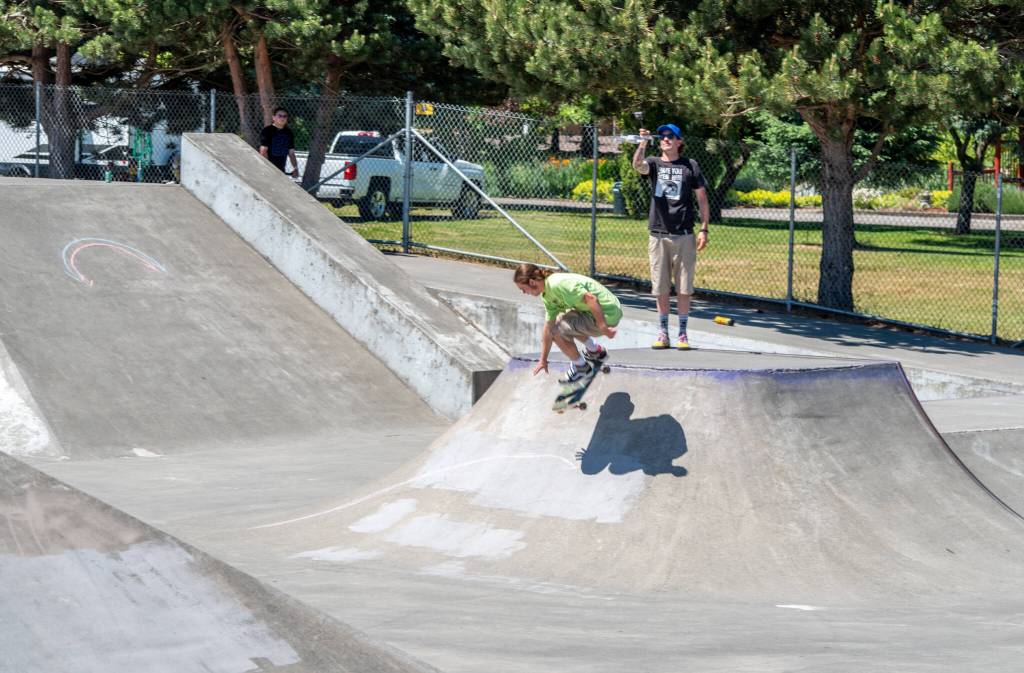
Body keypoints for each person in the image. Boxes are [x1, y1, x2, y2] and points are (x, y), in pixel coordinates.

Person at [632, 123, 710, 349]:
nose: (665, 139)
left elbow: (702, 198)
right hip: (658, 235)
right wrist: (643, 142)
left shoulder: (689, 165)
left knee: (684, 288)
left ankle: (683, 334)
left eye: (671, 136)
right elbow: (638, 165)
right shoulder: (654, 164)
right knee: (661, 287)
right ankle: (663, 332)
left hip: (684, 235)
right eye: (663, 136)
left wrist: (704, 228)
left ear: (679, 141)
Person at [513, 263, 622, 384]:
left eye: (523, 289)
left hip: (605, 315)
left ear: (532, 282)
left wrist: (603, 326)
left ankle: (582, 367)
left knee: (557, 331)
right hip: (601, 312)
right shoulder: (547, 294)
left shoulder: (558, 284)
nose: (523, 292)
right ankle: (595, 351)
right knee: (561, 320)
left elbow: (591, 299)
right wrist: (543, 360)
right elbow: (548, 328)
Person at [259, 107, 299, 177]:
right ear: (274, 117)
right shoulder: (267, 130)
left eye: (284, 116)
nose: (282, 118)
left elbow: (291, 153)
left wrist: (295, 168)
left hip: (281, 169)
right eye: (279, 116)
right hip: (267, 169)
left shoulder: (289, 132)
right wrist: (269, 167)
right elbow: (263, 151)